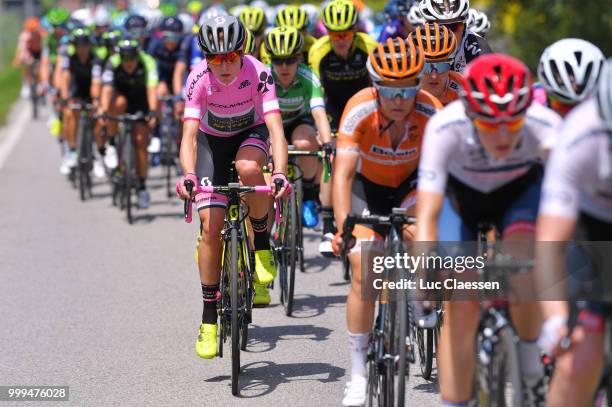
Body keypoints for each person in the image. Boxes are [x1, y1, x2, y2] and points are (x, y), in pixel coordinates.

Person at [415, 54, 562, 407]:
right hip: (462, 201)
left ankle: (530, 370)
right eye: (489, 124)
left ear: (526, 112)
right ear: (469, 114)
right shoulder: (444, 128)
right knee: (462, 298)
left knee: (524, 265)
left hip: (518, 196)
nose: (501, 135)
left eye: (512, 125)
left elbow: (570, 207)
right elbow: (428, 212)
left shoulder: (546, 125)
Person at [330, 36, 442, 406]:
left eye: (408, 89)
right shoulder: (358, 109)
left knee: (422, 238)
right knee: (364, 268)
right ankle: (359, 371)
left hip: (412, 185)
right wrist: (342, 227)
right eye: (390, 90)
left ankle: (417, 292)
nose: (399, 99)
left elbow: (443, 176)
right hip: (367, 187)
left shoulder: (431, 111)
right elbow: (343, 176)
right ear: (375, 86)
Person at [174, 16, 289, 359]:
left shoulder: (258, 72)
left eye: (230, 57)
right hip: (211, 144)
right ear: (206, 58)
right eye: (215, 58)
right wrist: (189, 174)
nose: (223, 65)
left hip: (249, 136)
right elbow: (189, 136)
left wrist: (280, 171)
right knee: (210, 227)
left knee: (249, 168)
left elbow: (276, 128)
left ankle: (262, 244)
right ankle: (209, 318)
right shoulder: (197, 79)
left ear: (242, 53)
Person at [536, 58, 612, 407]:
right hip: (589, 226)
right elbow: (550, 242)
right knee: (581, 351)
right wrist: (555, 319)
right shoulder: (580, 135)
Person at [264, 26, 335, 259]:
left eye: (290, 60)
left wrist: (326, 143)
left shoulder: (308, 76)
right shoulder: (264, 77)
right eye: (278, 60)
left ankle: (309, 193)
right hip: (270, 124)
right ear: (270, 59)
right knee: (273, 154)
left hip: (299, 121)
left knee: (306, 144)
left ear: (300, 58)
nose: (284, 67)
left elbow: (319, 115)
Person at [96, 38, 159, 209]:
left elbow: (152, 88)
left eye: (132, 58)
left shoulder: (148, 62)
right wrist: (103, 110)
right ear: (120, 56)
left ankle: (142, 187)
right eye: (125, 58)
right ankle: (111, 142)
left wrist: (152, 111)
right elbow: (107, 89)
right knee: (118, 103)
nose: (129, 63)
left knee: (141, 142)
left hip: (141, 100)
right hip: (121, 99)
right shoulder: (112, 62)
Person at [58, 27, 105, 178]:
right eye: (79, 45)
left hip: (92, 92)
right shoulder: (69, 58)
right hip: (76, 92)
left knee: (98, 119)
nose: (82, 48)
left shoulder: (96, 59)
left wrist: (96, 101)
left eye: (85, 45)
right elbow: (65, 77)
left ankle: (98, 154)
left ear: (89, 45)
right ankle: (72, 151)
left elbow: (97, 82)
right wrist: (65, 97)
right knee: (70, 114)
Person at [535, 38, 605, 117]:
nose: (576, 82)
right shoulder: (534, 99)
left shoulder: (605, 101)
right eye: (568, 72)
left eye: (585, 76)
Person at [146, 16, 184, 159]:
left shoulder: (183, 47)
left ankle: (181, 141)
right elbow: (150, 66)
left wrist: (179, 95)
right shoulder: (155, 45)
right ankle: (156, 131)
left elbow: (183, 71)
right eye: (166, 36)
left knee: (181, 110)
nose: (171, 40)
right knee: (158, 92)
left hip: (180, 78)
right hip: (161, 77)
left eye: (175, 36)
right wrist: (158, 82)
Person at [419, 0, 491, 72]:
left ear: (464, 26)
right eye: (441, 28)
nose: (449, 33)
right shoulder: (415, 46)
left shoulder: (478, 45)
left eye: (454, 26)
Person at [408, 22, 462, 106]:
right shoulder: (400, 90)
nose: (434, 76)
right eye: (425, 66)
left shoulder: (462, 87)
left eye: (442, 66)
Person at [13, 17, 44, 99]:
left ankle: (41, 83)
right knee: (27, 65)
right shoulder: (24, 35)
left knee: (40, 67)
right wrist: (17, 59)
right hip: (29, 53)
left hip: (40, 52)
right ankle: (26, 84)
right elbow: (21, 49)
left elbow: (45, 47)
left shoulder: (42, 34)